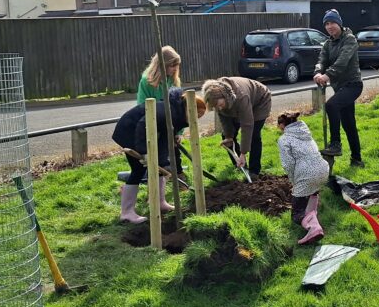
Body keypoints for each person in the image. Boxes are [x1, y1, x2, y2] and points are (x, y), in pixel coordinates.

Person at [112, 88, 205, 224]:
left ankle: (160, 202)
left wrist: (161, 159)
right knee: (138, 170)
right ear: (189, 108)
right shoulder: (168, 111)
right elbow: (142, 124)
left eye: (201, 115)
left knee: (160, 164)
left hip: (143, 133)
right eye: (198, 113)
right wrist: (144, 152)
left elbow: (164, 135)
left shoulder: (176, 114)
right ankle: (127, 213)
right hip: (129, 131)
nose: (197, 118)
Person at [314, 9, 365, 167]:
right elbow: (321, 60)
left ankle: (335, 144)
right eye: (327, 24)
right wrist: (317, 72)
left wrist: (327, 76)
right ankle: (357, 160)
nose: (330, 27)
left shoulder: (350, 39)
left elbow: (342, 62)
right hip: (340, 87)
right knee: (349, 123)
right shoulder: (328, 43)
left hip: (353, 85)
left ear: (339, 24)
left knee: (331, 105)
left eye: (332, 23)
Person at [276, 111, 330, 245]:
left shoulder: (284, 140)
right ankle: (312, 215)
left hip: (307, 174)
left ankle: (314, 228)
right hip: (323, 169)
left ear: (283, 125)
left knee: (296, 214)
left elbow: (288, 164)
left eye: (278, 125)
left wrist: (294, 181)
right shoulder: (306, 133)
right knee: (312, 190)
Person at [201, 77, 272, 177]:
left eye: (221, 105)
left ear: (226, 97)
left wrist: (243, 153)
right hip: (238, 106)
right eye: (217, 107)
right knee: (226, 137)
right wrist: (229, 136)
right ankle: (240, 165)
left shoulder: (241, 97)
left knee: (253, 135)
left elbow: (247, 125)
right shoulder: (216, 99)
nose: (219, 108)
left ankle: (254, 171)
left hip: (260, 101)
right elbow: (224, 118)